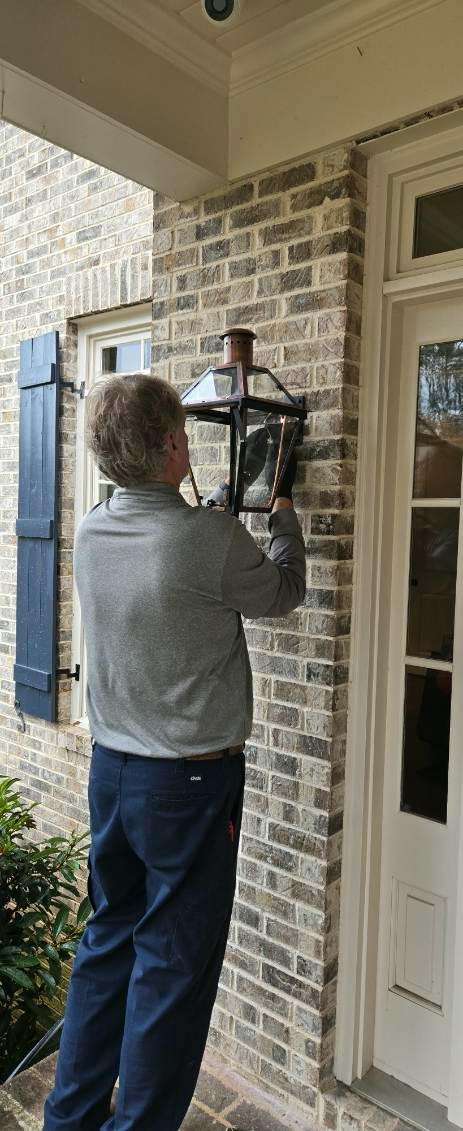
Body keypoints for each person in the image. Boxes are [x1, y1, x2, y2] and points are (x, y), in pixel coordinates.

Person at [42, 372, 306, 1131]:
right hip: (188, 788)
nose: (189, 443)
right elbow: (283, 590)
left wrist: (210, 512)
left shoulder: (95, 530)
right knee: (172, 970)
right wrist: (281, 513)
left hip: (112, 777)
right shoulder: (208, 540)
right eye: (182, 434)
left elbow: (177, 550)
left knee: (107, 944)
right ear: (166, 447)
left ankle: (72, 1116)